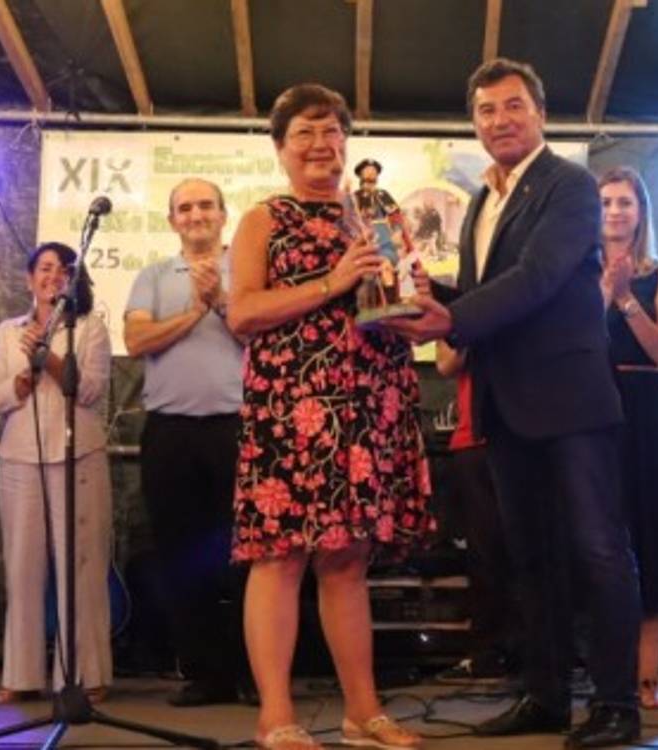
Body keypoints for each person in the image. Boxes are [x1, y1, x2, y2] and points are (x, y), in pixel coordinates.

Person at [383, 58, 642, 749]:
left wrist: (451, 319)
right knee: (530, 557)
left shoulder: (570, 184)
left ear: (540, 114)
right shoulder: (479, 201)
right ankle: (546, 696)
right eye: (486, 110)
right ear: (474, 123)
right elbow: (484, 289)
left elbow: (539, 275)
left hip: (571, 399)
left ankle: (617, 704)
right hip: (505, 403)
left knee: (598, 551)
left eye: (512, 106)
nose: (499, 120)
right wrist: (420, 295)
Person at [226, 83, 433, 750]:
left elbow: (406, 309)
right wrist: (331, 282)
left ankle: (362, 713)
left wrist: (416, 305)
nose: (321, 144)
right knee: (280, 556)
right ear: (280, 147)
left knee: (347, 560)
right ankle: (275, 716)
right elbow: (242, 313)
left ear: (347, 144)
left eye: (331, 132)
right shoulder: (264, 218)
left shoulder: (376, 214)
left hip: (369, 402)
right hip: (292, 408)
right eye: (305, 132)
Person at [122, 177, 250, 706]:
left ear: (223, 214)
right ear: (172, 219)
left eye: (205, 206)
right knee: (179, 552)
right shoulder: (153, 275)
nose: (196, 215)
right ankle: (206, 673)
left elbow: (264, 339)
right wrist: (195, 311)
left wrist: (220, 302)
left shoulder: (249, 272)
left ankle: (254, 672)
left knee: (251, 554)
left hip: (238, 429)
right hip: (170, 433)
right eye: (185, 207)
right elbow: (136, 340)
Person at [0, 242, 112, 704]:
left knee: (81, 566)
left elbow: (91, 390)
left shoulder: (89, 328)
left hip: (78, 455)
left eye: (62, 270)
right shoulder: (8, 331)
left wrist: (50, 359)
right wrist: (21, 381)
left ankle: (84, 674)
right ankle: (21, 675)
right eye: (44, 268)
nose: (53, 277)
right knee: (22, 567)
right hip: (20, 456)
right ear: (29, 278)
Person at [598, 167, 658, 711]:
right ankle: (607, 679)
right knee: (603, 540)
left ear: (641, 212)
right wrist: (601, 293)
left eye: (625, 203)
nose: (615, 212)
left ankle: (647, 680)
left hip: (650, 410)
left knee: (655, 536)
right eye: (606, 202)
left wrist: (625, 300)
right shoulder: (577, 269)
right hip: (596, 411)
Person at [433, 341, 517, 681]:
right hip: (474, 438)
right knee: (484, 552)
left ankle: (538, 651)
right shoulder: (459, 313)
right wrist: (471, 329)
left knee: (532, 550)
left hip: (525, 433)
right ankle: (487, 653)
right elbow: (445, 365)